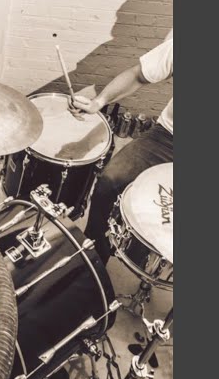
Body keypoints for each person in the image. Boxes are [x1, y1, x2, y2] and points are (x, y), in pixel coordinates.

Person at [70, 30, 173, 263]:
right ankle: (94, 257)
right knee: (111, 181)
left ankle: (148, 262)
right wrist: (99, 101)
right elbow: (138, 75)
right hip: (167, 138)